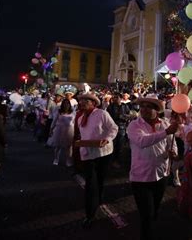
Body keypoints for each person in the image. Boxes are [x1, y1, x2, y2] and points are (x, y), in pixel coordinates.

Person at [126, 94, 179, 240]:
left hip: (161, 175)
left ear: (157, 110)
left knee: (155, 209)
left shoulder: (165, 124)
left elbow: (171, 143)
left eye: (149, 107)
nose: (144, 109)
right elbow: (142, 141)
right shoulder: (134, 125)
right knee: (147, 216)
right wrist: (166, 132)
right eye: (142, 106)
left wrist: (174, 152)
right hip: (141, 177)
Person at [76, 93, 118, 228]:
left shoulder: (102, 114)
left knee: (99, 180)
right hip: (88, 155)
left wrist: (107, 139)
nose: (82, 102)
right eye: (81, 100)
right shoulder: (80, 118)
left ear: (93, 103)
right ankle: (90, 214)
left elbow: (114, 128)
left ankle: (98, 199)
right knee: (90, 184)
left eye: (85, 101)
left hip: (104, 153)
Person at [106, 93, 131, 168]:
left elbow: (129, 115)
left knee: (120, 145)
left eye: (117, 97)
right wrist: (119, 116)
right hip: (113, 128)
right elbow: (109, 117)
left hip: (122, 128)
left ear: (120, 98)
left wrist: (126, 118)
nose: (114, 99)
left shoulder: (125, 106)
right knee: (112, 145)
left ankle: (118, 161)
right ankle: (111, 161)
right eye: (114, 97)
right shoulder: (110, 107)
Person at [48, 99, 75, 167]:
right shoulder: (59, 112)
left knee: (69, 147)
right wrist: (51, 129)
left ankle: (68, 160)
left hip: (69, 130)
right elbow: (54, 121)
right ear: (62, 105)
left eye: (68, 104)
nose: (66, 105)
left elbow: (75, 122)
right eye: (65, 104)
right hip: (59, 130)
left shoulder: (73, 112)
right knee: (58, 146)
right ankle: (56, 159)